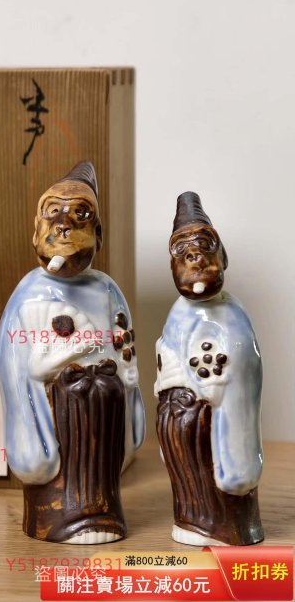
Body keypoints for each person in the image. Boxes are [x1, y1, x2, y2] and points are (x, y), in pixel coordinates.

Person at [0, 162, 144, 543]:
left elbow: (124, 348)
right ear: (36, 230)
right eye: (53, 213)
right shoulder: (29, 294)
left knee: (101, 467)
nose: (64, 225)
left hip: (103, 412)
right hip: (58, 413)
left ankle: (101, 512)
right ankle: (58, 518)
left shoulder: (106, 289)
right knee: (60, 478)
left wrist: (128, 383)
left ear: (98, 235)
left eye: (79, 215)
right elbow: (18, 369)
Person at [155, 191, 263, 546]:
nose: (194, 257)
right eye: (182, 251)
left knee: (216, 478)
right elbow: (166, 357)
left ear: (223, 258)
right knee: (189, 479)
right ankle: (191, 521)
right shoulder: (177, 312)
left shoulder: (231, 315)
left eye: (205, 246)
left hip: (213, 423)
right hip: (181, 424)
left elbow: (243, 363)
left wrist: (211, 385)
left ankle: (228, 526)